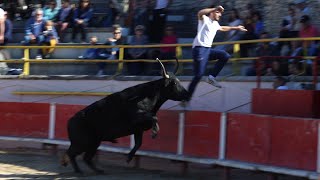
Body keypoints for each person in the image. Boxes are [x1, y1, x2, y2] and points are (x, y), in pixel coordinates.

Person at [186, 5, 247, 102]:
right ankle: (187, 98)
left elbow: (223, 28)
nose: (220, 15)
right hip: (199, 50)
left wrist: (237, 28)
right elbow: (200, 12)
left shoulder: (215, 24)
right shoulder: (204, 19)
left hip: (207, 50)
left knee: (225, 55)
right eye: (218, 13)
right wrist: (215, 9)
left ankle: (211, 77)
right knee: (199, 75)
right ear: (212, 13)